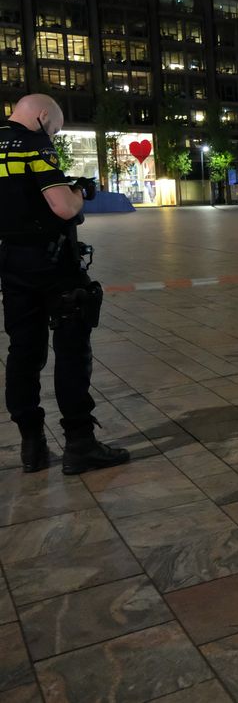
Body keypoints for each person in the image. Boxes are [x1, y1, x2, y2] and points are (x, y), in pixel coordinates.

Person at [0, 94, 130, 475]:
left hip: (10, 260)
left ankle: (32, 446)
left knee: (23, 352)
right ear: (42, 116)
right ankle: (80, 444)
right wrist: (80, 191)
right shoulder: (34, 143)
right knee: (71, 349)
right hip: (52, 262)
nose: (53, 137)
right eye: (54, 129)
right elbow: (63, 207)